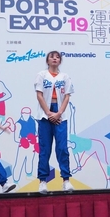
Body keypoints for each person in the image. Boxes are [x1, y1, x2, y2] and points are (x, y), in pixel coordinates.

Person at [35, 50, 75, 194]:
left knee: (62, 148)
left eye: (57, 57)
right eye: (52, 57)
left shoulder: (65, 76)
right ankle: (43, 181)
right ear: (47, 60)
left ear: (60, 61)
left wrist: (58, 113)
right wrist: (48, 113)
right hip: (44, 114)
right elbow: (39, 95)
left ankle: (66, 180)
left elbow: (67, 97)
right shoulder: (41, 75)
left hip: (60, 114)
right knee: (45, 149)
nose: (55, 59)